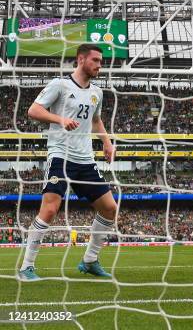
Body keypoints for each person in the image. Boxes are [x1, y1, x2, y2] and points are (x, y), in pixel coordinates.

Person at [18, 44, 118, 281]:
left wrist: (107, 142)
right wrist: (60, 119)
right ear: (81, 59)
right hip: (60, 155)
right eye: (95, 60)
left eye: (101, 62)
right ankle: (26, 267)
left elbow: (96, 120)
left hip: (85, 160)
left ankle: (90, 260)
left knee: (110, 208)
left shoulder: (97, 92)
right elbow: (33, 110)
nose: (99, 65)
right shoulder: (59, 85)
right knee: (50, 209)